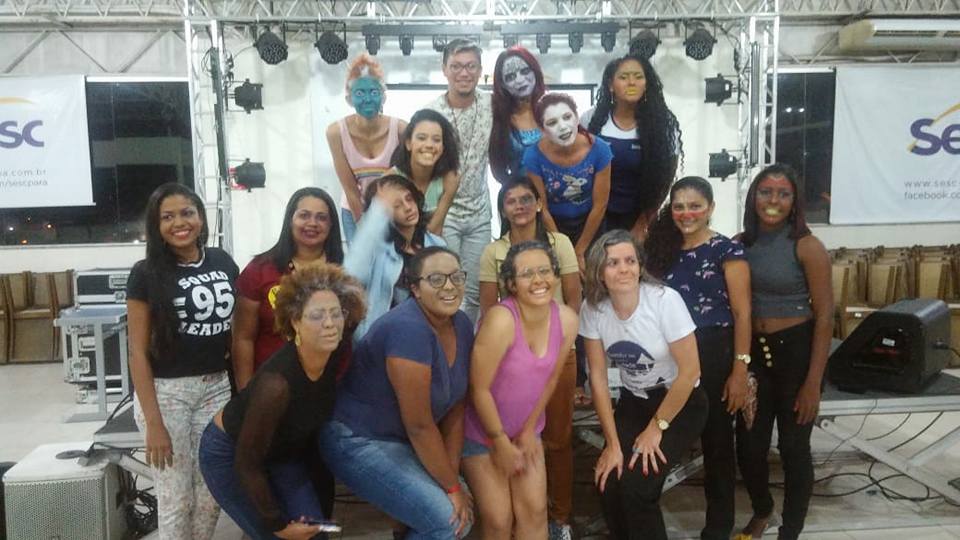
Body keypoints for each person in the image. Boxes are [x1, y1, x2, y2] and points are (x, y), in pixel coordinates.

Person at [199, 264, 366, 539]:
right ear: (295, 322)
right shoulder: (276, 385)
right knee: (275, 535)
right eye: (316, 316)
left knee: (315, 534)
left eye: (336, 313)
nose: (329, 323)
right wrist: (278, 525)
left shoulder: (332, 347)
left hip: (282, 451)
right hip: (232, 454)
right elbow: (247, 463)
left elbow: (355, 304)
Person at [319, 247, 474, 540]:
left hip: (402, 440)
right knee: (449, 522)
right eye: (436, 279)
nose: (450, 286)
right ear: (415, 289)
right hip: (357, 439)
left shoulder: (462, 325)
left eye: (456, 277)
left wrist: (450, 477)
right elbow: (419, 425)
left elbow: (456, 407)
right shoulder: (407, 329)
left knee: (460, 512)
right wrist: (451, 488)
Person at [126, 182, 239, 539]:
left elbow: (236, 330)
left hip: (217, 389)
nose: (179, 223)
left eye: (187, 213)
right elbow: (137, 351)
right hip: (167, 394)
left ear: (201, 218)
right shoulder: (145, 273)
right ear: (156, 225)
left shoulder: (222, 261)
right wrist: (154, 424)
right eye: (168, 217)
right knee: (177, 498)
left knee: (211, 495)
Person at [581, 229, 708, 540]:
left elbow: (690, 372)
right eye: (612, 263)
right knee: (609, 480)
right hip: (634, 401)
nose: (623, 269)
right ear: (599, 271)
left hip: (679, 403)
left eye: (630, 261)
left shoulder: (664, 301)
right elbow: (597, 377)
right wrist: (612, 445)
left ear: (640, 266)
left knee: (638, 487)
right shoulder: (593, 309)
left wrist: (656, 428)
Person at [644, 176, 752, 540]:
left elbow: (743, 313)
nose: (686, 213)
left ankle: (718, 528)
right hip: (668, 355)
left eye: (695, 206)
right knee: (658, 433)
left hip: (714, 352)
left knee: (718, 445)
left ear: (710, 208)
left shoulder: (727, 251)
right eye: (679, 206)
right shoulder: (660, 248)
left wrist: (740, 370)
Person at [476, 177, 580, 540]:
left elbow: (549, 379)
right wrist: (501, 439)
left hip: (532, 407)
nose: (537, 279)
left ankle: (560, 519)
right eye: (511, 200)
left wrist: (527, 429)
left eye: (544, 271)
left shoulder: (560, 248)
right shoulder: (501, 315)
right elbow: (479, 388)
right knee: (500, 520)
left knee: (537, 505)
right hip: (487, 424)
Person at [734, 164, 833, 540]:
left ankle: (790, 531)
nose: (773, 200)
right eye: (765, 192)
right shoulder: (740, 243)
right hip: (754, 358)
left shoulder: (808, 246)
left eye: (783, 193)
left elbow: (825, 317)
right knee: (749, 446)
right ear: (753, 197)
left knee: (793, 449)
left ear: (794, 201)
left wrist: (813, 383)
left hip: (797, 357)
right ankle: (763, 511)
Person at [233, 187, 345, 388]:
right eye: (304, 215)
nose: (312, 223)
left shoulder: (346, 271)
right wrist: (246, 392)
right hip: (272, 388)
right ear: (290, 220)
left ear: (331, 225)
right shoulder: (260, 270)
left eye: (321, 217)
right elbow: (243, 338)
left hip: (333, 386)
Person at [426, 38, 494, 323]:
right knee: (445, 285)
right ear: (444, 69)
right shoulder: (432, 113)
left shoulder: (493, 104)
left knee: (475, 291)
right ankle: (444, 342)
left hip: (480, 213)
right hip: (445, 212)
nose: (464, 73)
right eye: (456, 66)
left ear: (480, 70)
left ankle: (466, 342)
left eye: (470, 66)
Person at [581, 54, 683, 239]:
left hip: (639, 217)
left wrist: (644, 222)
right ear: (611, 85)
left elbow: (665, 178)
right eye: (623, 77)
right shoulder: (591, 119)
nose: (631, 83)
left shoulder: (663, 123)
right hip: (594, 216)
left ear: (646, 84)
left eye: (638, 77)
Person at [344, 174, 445, 341]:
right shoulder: (375, 248)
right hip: (384, 337)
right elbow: (351, 274)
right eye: (396, 205)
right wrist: (378, 213)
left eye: (409, 199)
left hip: (429, 334)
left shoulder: (437, 244)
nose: (408, 207)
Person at [525, 92, 612, 274]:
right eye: (552, 123)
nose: (563, 127)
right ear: (542, 129)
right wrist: (562, 249)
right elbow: (542, 208)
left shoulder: (600, 149)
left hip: (591, 224)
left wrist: (579, 251)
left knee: (592, 277)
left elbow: (600, 205)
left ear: (576, 117)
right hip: (552, 226)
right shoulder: (532, 157)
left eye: (567, 117)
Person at [327, 53, 406, 243]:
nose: (368, 99)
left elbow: (404, 177)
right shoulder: (336, 132)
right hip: (354, 208)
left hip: (392, 208)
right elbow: (349, 188)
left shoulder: (401, 129)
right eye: (360, 93)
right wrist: (363, 224)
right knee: (361, 259)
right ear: (349, 98)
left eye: (374, 92)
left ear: (383, 96)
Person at [389, 108, 461, 235]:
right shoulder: (390, 180)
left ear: (443, 147)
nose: (429, 145)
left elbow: (435, 229)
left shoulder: (450, 179)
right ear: (408, 143)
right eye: (421, 138)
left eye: (436, 140)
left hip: (430, 242)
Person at [489, 46, 547, 184]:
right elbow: (498, 170)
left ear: (535, 71)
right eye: (510, 77)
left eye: (525, 71)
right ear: (502, 85)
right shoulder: (498, 120)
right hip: (520, 193)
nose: (520, 80)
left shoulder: (555, 107)